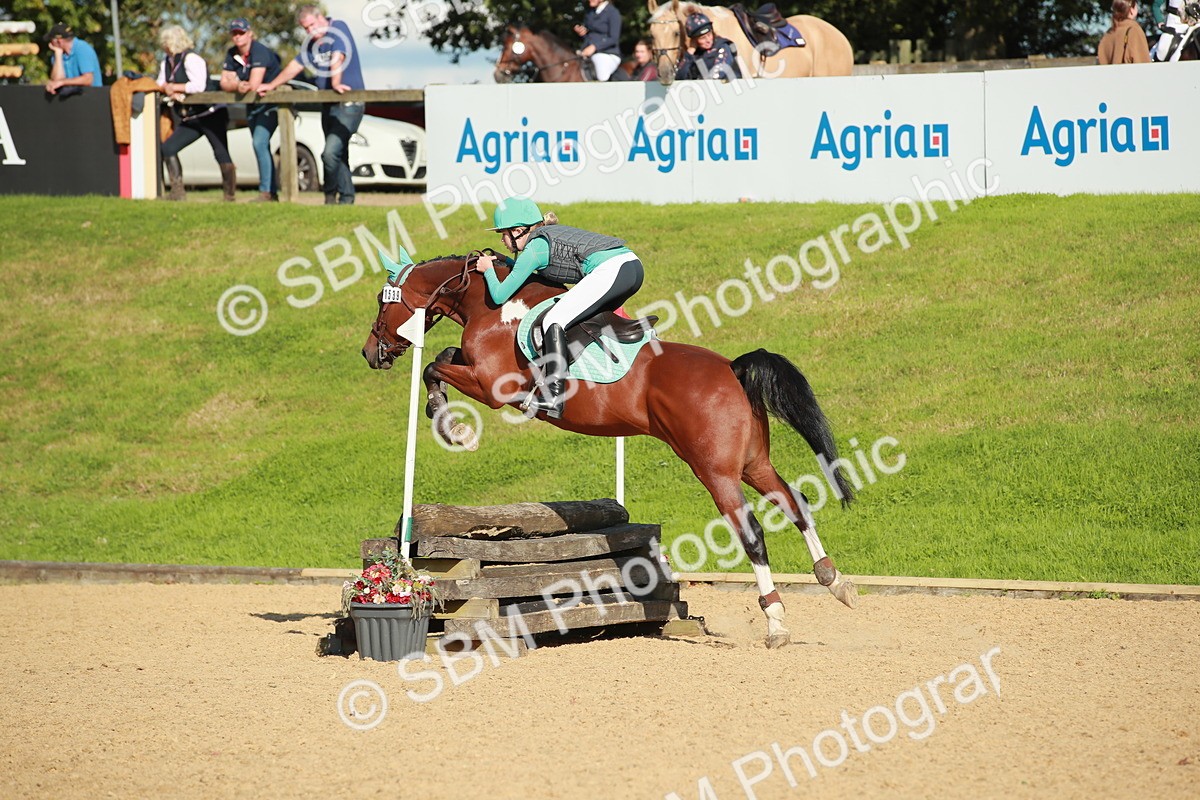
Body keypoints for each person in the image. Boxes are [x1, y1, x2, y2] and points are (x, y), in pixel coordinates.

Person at [474, 197, 645, 419]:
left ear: (518, 231)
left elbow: (499, 296)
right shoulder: (540, 242)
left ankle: (554, 393)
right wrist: (508, 261)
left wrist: (488, 269)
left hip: (612, 270)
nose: (503, 241)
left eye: (504, 234)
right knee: (580, 319)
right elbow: (531, 272)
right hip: (631, 267)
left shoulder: (536, 248)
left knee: (553, 320)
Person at [259, 4, 365, 205]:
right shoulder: (311, 44)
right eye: (305, 28)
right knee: (338, 153)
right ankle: (341, 200)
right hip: (329, 105)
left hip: (350, 102)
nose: (310, 31)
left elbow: (338, 56)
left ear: (321, 18)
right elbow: (295, 65)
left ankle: (336, 197)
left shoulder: (338, 28)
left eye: (311, 26)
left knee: (330, 152)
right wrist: (271, 85)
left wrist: (335, 82)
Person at [157, 25, 236, 201]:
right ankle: (178, 192)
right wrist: (168, 89)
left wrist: (174, 87)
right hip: (190, 117)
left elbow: (198, 86)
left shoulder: (192, 59)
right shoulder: (166, 62)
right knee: (168, 148)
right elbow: (160, 82)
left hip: (211, 114)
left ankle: (229, 195)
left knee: (221, 152)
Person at [220, 18, 282, 202]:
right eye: (234, 33)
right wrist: (237, 85)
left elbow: (253, 85)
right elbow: (224, 82)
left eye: (241, 32)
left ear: (250, 33)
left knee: (259, 143)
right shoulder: (232, 54)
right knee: (261, 146)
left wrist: (236, 83)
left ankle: (266, 192)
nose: (238, 37)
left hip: (268, 105)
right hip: (252, 106)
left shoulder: (260, 51)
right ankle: (270, 191)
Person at [676, 13, 742, 81]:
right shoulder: (694, 55)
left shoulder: (723, 46)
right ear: (694, 40)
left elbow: (718, 73)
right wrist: (690, 52)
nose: (708, 40)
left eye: (709, 35)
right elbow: (679, 78)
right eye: (702, 38)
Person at [43, 22, 102, 94]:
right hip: (70, 100)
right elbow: (57, 81)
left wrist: (63, 82)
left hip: (92, 98)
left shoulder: (82, 48)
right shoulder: (57, 54)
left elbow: (88, 79)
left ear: (59, 41)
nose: (50, 44)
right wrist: (58, 55)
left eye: (51, 40)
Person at [574, 0, 623, 81]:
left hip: (607, 53)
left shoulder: (613, 13)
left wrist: (594, 47)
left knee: (601, 75)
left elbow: (614, 38)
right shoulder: (590, 13)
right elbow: (590, 36)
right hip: (588, 51)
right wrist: (583, 33)